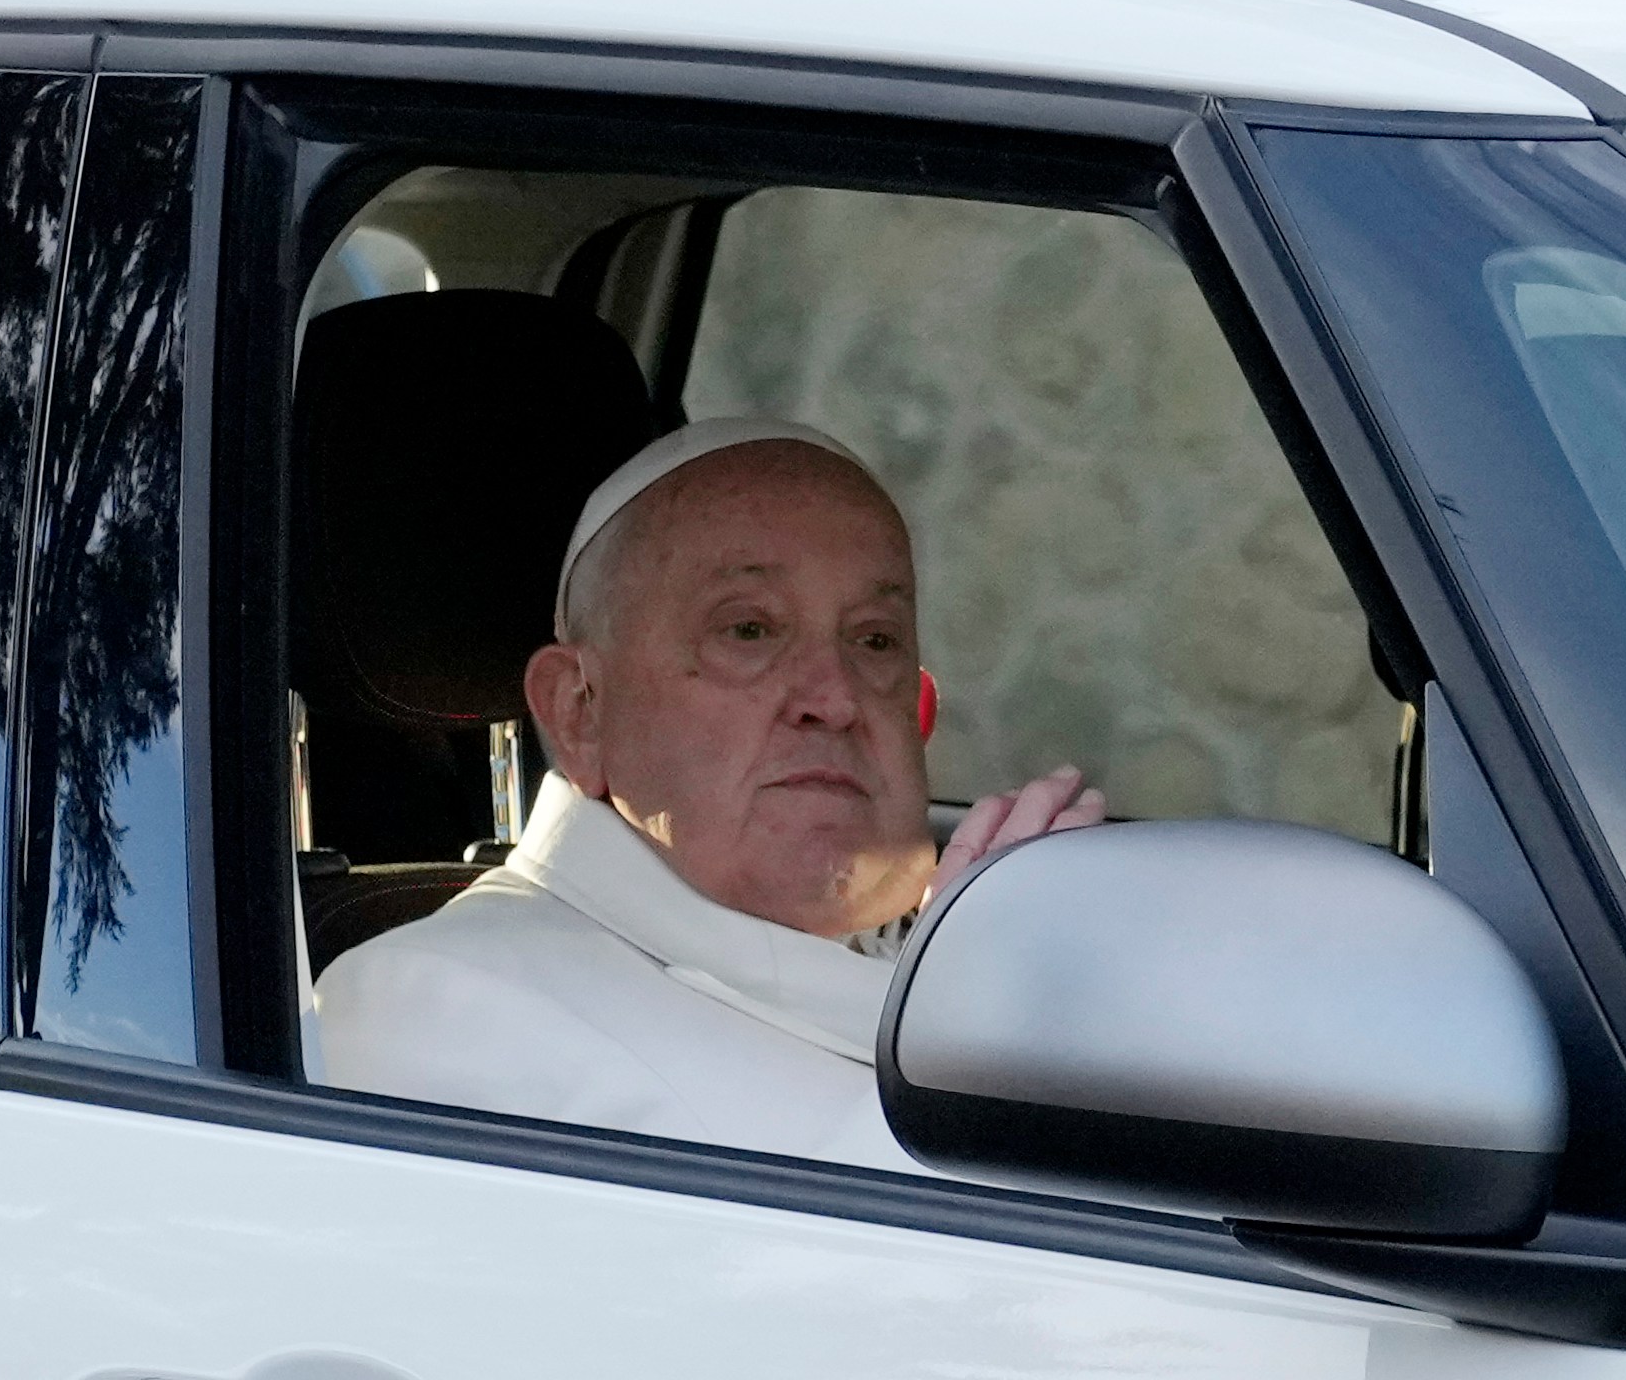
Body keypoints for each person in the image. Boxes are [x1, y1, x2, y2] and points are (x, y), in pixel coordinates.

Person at [315, 416, 1105, 1168]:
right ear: (580, 710)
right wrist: (989, 1034)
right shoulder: (431, 1008)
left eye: (875, 640)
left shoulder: (952, 953)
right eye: (748, 630)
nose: (834, 697)